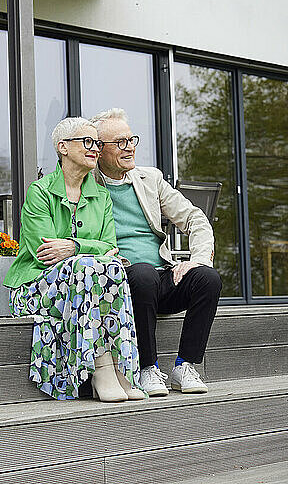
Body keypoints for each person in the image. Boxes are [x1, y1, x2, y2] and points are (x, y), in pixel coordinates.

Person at [3, 117, 145, 402]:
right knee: (88, 266)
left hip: (83, 282)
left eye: (96, 143)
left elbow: (111, 248)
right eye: (88, 142)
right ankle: (103, 368)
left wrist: (74, 245)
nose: (95, 148)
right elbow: (42, 252)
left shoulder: (101, 196)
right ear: (63, 148)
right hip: (36, 288)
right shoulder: (40, 192)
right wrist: (88, 252)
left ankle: (120, 369)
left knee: (109, 267)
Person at [90, 108, 222, 396]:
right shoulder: (87, 184)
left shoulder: (150, 179)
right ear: (98, 149)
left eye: (131, 139)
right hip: (121, 281)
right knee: (142, 273)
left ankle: (185, 365)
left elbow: (195, 218)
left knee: (208, 278)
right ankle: (147, 368)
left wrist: (196, 260)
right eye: (120, 142)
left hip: (160, 276)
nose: (130, 147)